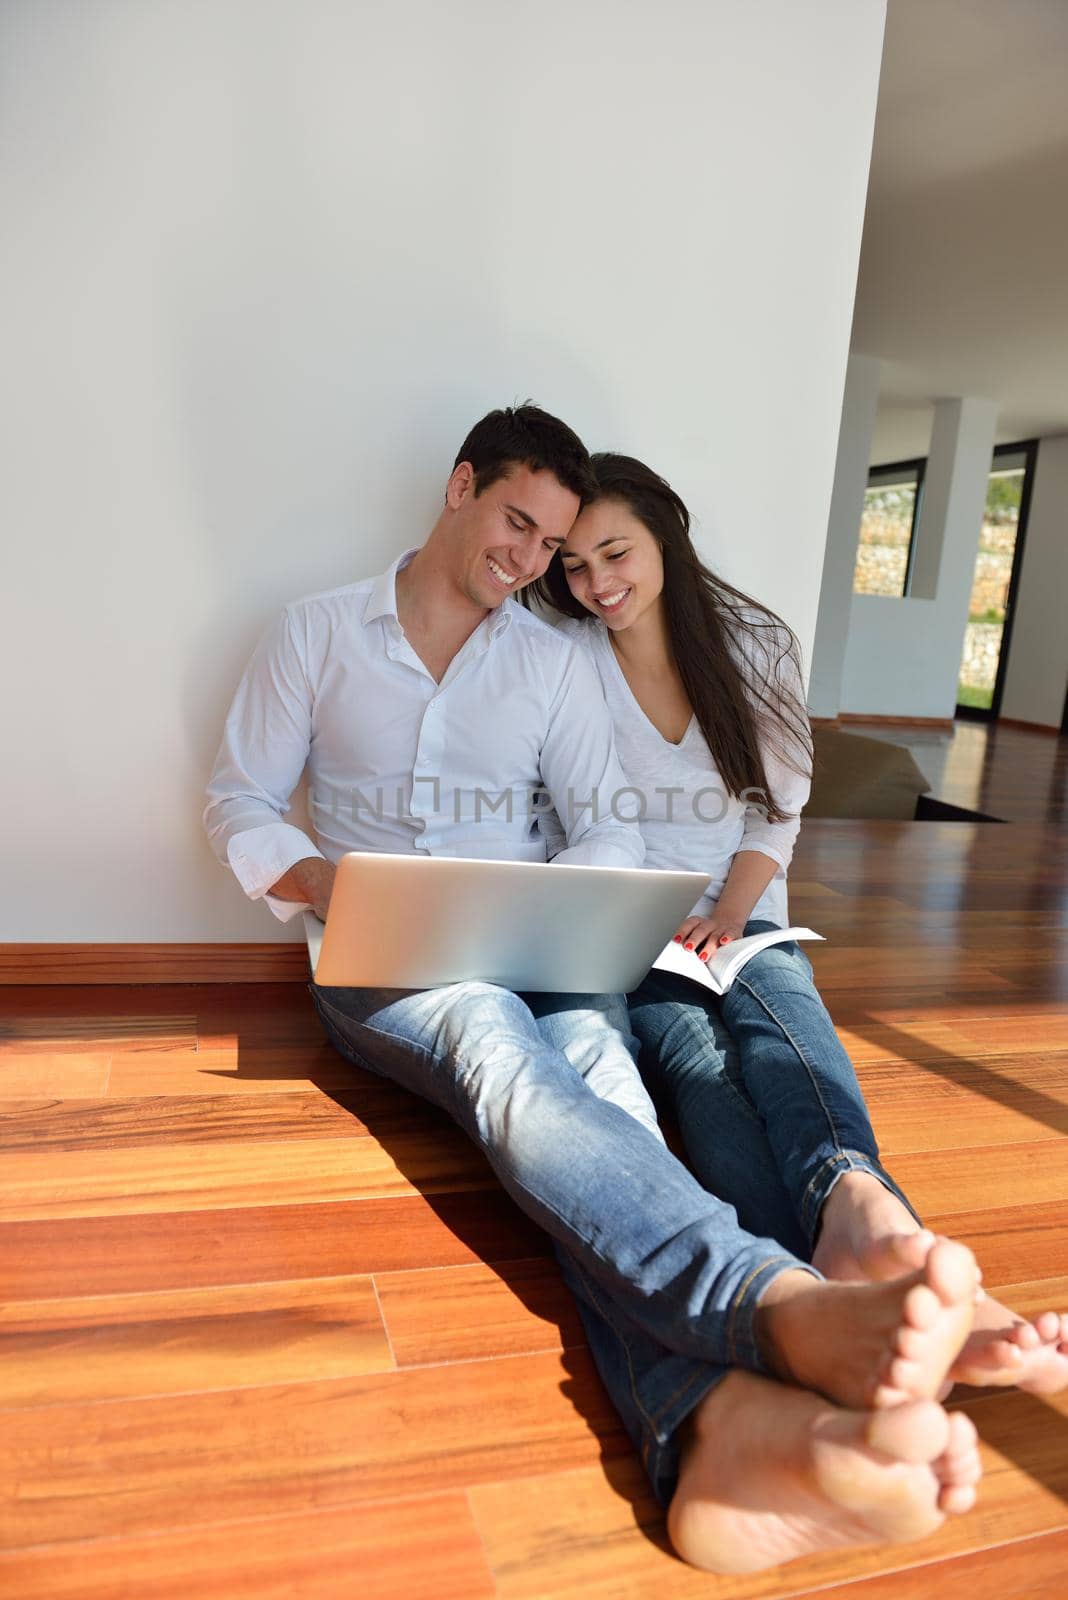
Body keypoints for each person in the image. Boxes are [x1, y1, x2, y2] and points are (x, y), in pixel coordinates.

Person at [205, 407, 985, 1575]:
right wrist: (323, 878)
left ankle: (721, 1434)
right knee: (500, 1059)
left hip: (536, 943)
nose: (529, 563)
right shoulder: (314, 633)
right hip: (387, 962)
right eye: (518, 524)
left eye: (553, 544)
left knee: (611, 1096)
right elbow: (238, 801)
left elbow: (603, 831)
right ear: (463, 485)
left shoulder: (549, 658)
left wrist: (561, 905)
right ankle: (773, 1300)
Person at [528, 449, 1068, 1420]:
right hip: (635, 922)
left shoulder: (752, 643)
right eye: (573, 565)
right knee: (697, 1064)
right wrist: (647, 919)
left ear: (666, 535)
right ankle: (863, 1284)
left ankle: (862, 1210)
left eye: (615, 553)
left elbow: (774, 815)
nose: (597, 583)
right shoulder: (564, 662)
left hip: (742, 901)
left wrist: (730, 911)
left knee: (779, 1008)